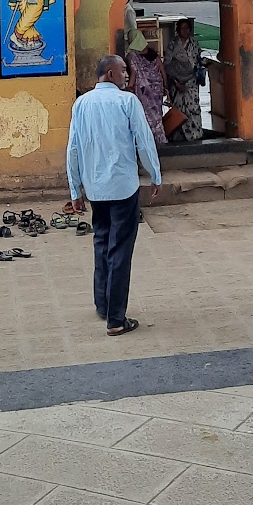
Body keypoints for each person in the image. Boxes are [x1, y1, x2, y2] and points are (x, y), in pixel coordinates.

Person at [66, 55, 161, 336]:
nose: (127, 76)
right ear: (109, 73)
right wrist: (155, 174)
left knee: (102, 241)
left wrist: (75, 189)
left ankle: (103, 304)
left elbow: (73, 148)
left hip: (95, 187)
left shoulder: (81, 104)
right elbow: (144, 141)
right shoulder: (127, 102)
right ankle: (116, 319)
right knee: (120, 250)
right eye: (123, 71)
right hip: (123, 187)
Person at [164, 18, 205, 141]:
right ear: (178, 30)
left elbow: (198, 59)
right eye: (182, 28)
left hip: (191, 82)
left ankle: (195, 134)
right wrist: (177, 83)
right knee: (179, 109)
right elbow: (167, 64)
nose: (185, 31)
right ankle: (179, 136)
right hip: (176, 83)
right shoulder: (173, 44)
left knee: (193, 108)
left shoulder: (194, 43)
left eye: (187, 28)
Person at [128, 43, 168, 149]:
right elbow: (163, 71)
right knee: (157, 115)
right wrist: (165, 86)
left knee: (146, 117)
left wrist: (129, 88)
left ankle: (150, 141)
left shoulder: (133, 56)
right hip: (157, 91)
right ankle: (161, 139)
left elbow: (134, 73)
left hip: (143, 93)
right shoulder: (154, 55)